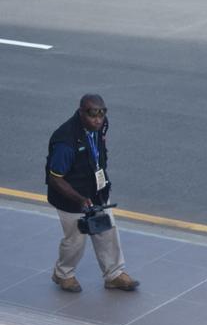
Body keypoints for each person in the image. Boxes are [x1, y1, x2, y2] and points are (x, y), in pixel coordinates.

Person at [45, 94, 139, 293]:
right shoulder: (66, 142)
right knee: (75, 241)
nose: (98, 119)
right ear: (81, 113)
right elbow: (56, 178)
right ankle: (63, 274)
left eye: (102, 113)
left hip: (97, 193)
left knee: (107, 231)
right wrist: (80, 199)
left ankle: (114, 274)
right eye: (92, 114)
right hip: (71, 199)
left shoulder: (100, 126)